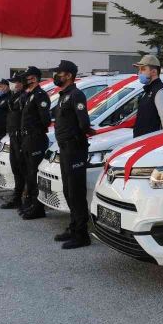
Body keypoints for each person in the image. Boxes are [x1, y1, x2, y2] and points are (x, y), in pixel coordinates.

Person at [51, 60, 95, 249]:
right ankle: (73, 227)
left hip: (75, 149)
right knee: (68, 190)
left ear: (68, 75)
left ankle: (82, 234)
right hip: (65, 148)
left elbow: (83, 123)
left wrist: (84, 134)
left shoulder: (76, 95)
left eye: (59, 73)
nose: (56, 76)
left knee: (76, 192)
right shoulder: (64, 95)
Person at [19, 66, 51, 220]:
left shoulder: (40, 95)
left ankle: (38, 208)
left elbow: (44, 119)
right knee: (28, 173)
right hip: (27, 139)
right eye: (26, 77)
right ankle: (30, 203)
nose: (27, 80)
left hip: (35, 138)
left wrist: (35, 131)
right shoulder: (29, 95)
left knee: (34, 173)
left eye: (30, 77)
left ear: (36, 78)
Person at [0, 75, 27, 210]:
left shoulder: (24, 97)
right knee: (16, 169)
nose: (13, 85)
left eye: (15, 82)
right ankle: (17, 198)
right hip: (13, 136)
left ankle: (26, 199)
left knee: (23, 170)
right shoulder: (14, 96)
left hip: (21, 137)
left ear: (21, 83)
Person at [132, 54, 163, 139]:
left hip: (152, 143)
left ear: (154, 72)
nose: (139, 73)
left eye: (143, 69)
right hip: (141, 141)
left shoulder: (160, 91)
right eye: (139, 69)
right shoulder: (148, 90)